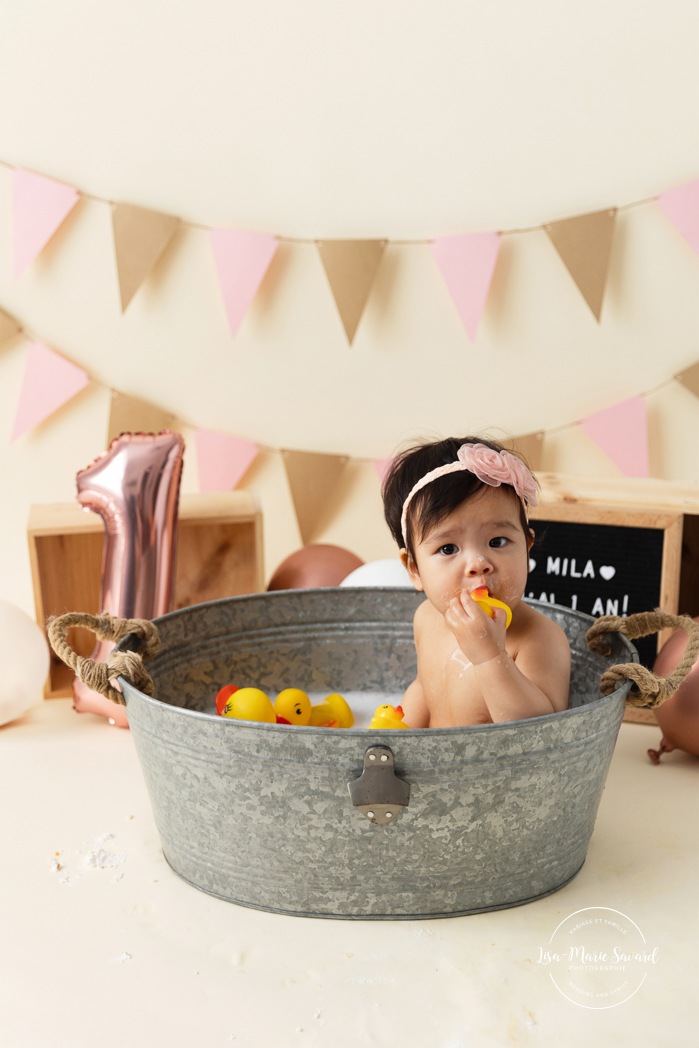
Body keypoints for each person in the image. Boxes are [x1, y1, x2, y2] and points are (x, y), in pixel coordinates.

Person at [382, 436, 570, 728]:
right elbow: (423, 690)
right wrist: (393, 735)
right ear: (414, 569)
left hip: (494, 773)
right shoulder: (426, 619)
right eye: (448, 549)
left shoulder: (539, 639)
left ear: (527, 547)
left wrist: (491, 657)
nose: (478, 563)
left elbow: (540, 734)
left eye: (497, 541)